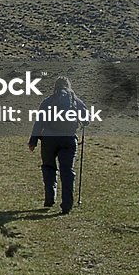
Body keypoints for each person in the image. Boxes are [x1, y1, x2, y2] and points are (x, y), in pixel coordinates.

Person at [28, 76, 88, 214]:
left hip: (49, 139)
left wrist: (33, 141)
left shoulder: (48, 101)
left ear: (55, 87)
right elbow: (87, 119)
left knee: (48, 167)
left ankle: (50, 199)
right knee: (67, 171)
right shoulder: (75, 101)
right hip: (69, 139)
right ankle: (66, 206)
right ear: (69, 86)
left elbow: (39, 122)